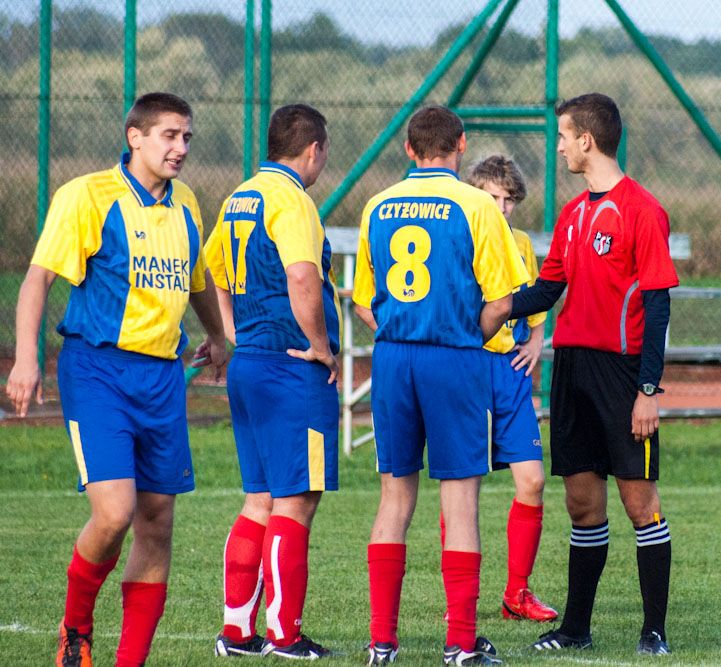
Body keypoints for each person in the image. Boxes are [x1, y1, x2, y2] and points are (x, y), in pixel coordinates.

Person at [4, 92, 228, 667]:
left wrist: (218, 336)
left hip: (163, 378)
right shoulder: (87, 195)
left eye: (187, 138)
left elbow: (199, 275)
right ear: (136, 137)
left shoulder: (186, 208)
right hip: (98, 371)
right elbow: (37, 281)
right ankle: (76, 625)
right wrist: (27, 359)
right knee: (114, 514)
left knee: (158, 522)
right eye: (169, 136)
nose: (180, 148)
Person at [353, 106, 528, 666]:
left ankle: (383, 642)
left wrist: (406, 331)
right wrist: (459, 335)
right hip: (454, 358)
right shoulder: (477, 205)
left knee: (394, 498)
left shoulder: (377, 204)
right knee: (460, 500)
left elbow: (362, 300)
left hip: (394, 359)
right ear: (461, 144)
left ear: (408, 149)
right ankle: (459, 643)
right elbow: (503, 300)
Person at [509, 93, 679, 656]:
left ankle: (654, 631)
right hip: (574, 369)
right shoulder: (572, 214)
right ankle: (575, 630)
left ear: (587, 140)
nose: (558, 147)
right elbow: (547, 288)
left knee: (640, 504)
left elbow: (658, 307)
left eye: (563, 137)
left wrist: (647, 391)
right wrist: (493, 309)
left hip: (624, 373)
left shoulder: (642, 209)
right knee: (582, 504)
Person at [204, 104, 341, 660]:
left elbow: (211, 266)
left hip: (251, 364)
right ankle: (284, 633)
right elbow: (303, 275)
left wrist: (232, 330)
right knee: (295, 502)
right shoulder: (293, 199)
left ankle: (237, 631)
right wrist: (323, 348)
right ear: (313, 149)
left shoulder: (241, 194)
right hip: (291, 368)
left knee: (259, 498)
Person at [464, 155, 557, 623]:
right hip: (473, 370)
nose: (501, 208)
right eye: (493, 197)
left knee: (533, 481)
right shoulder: (463, 236)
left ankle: (516, 595)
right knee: (465, 489)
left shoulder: (521, 244)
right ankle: (459, 601)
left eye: (509, 200)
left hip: (513, 374)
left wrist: (538, 341)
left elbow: (537, 305)